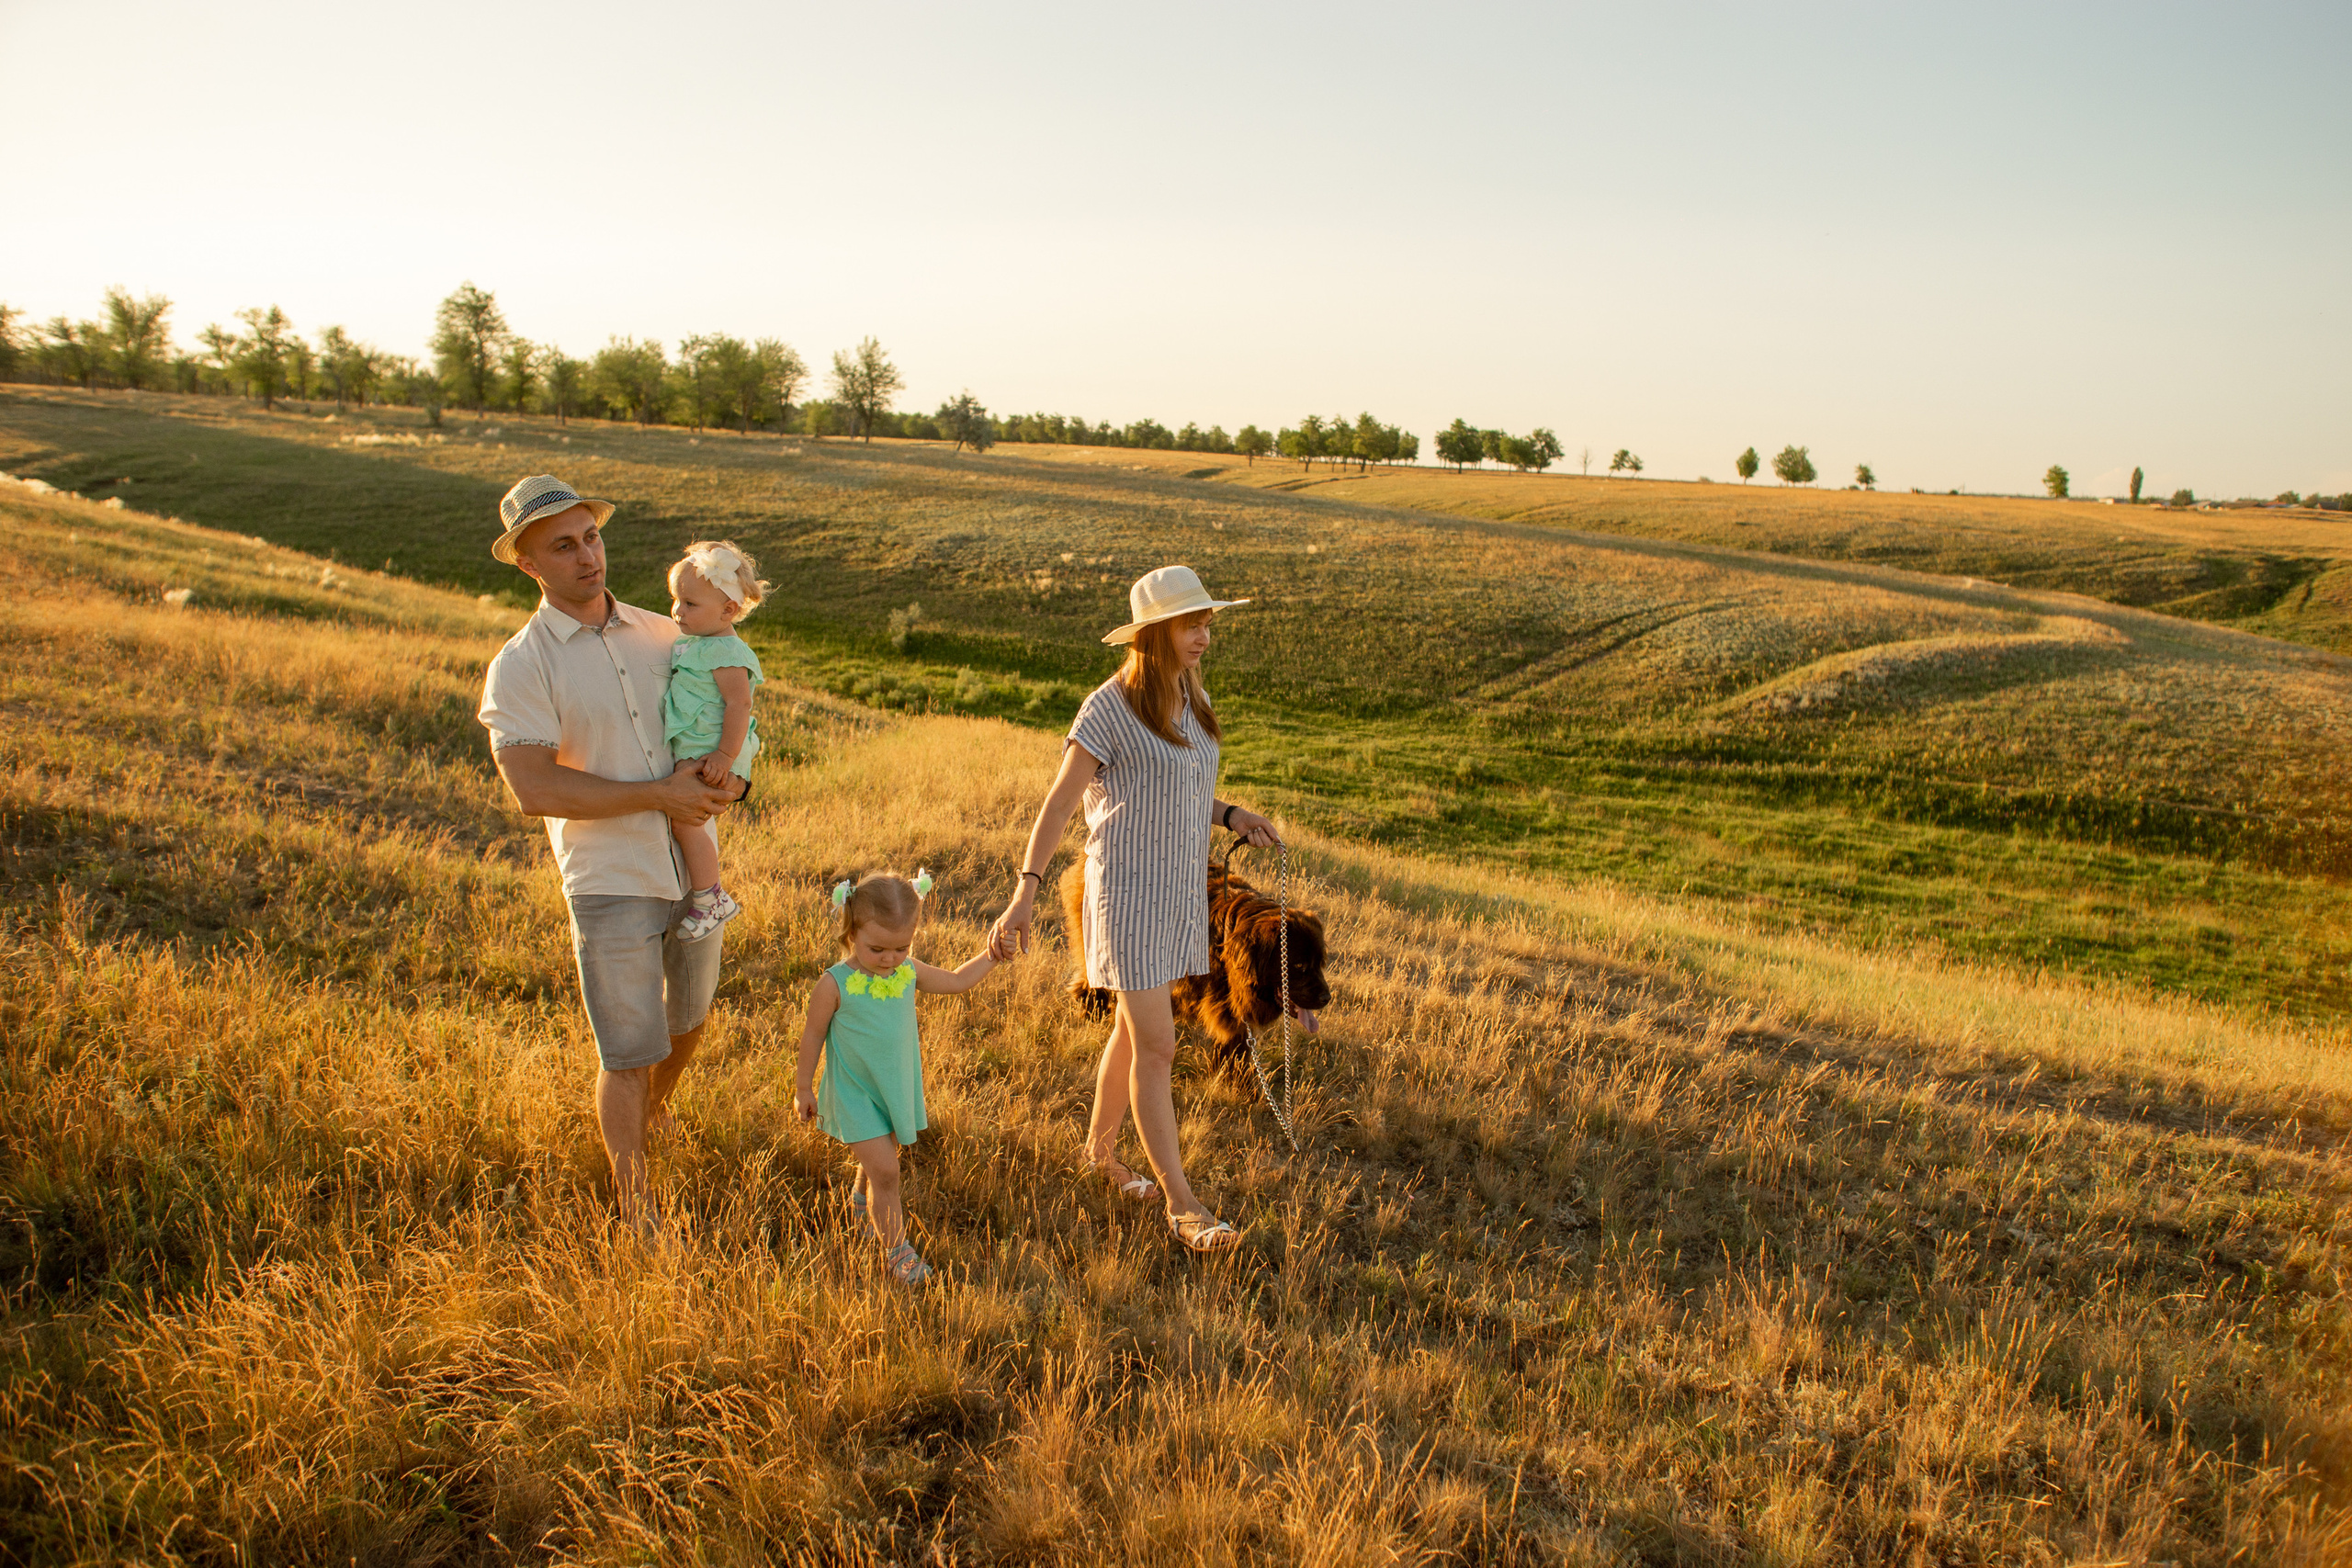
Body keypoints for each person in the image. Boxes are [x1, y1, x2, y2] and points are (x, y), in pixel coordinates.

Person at [475, 474, 748, 1236]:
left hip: (691, 869)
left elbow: (722, 713)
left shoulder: (668, 633)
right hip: (610, 878)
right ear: (529, 563)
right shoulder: (523, 663)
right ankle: (636, 1206)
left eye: (590, 535)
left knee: (689, 1021)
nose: (587, 555)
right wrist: (658, 796)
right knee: (628, 1048)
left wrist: (732, 779)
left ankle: (651, 1119)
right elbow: (532, 786)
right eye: (563, 545)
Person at [989, 565, 1281, 1255]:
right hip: (1123, 894)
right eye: (1191, 623)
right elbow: (1060, 803)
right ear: (1154, 633)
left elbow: (1175, 787)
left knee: (1131, 1031)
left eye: (1208, 621)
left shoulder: (1190, 697)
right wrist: (1025, 891)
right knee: (1158, 1044)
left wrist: (1231, 813)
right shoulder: (1108, 707)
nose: (1205, 634)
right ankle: (1183, 1204)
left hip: (1177, 891)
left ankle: (1099, 1153)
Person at [794, 871, 1002, 1285]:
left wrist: (992, 956)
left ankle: (859, 1201)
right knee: (888, 1172)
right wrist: (802, 1087)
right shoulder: (834, 985)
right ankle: (897, 1253)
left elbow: (958, 981)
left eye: (901, 947)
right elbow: (813, 1034)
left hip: (891, 1089)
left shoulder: (907, 972)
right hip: (854, 1092)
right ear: (852, 931)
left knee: (883, 1155)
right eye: (877, 949)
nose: (890, 959)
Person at [662, 539, 769, 942]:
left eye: (690, 604)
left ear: (728, 610)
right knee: (685, 821)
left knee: (687, 822)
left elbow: (739, 704)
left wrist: (724, 756)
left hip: (716, 753)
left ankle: (711, 898)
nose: (677, 611)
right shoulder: (697, 642)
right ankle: (707, 895)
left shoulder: (726, 650)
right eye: (676, 600)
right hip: (702, 750)